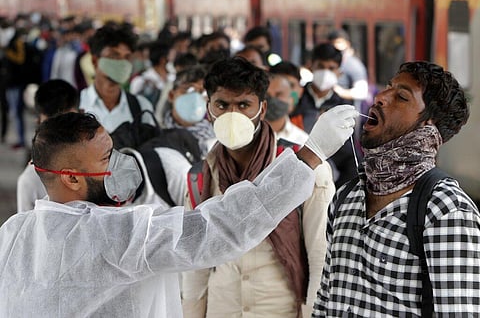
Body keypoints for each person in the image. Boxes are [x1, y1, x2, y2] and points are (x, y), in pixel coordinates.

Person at [0, 100, 358, 317]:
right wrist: (310, 154)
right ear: (72, 179)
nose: (122, 164)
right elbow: (221, 228)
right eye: (108, 158)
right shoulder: (117, 235)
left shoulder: (13, 233)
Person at [312, 61, 479, 317]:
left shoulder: (446, 211)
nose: (379, 97)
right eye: (387, 88)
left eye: (401, 96)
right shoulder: (346, 196)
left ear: (427, 129)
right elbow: (325, 299)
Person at [181, 57, 341, 318]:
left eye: (244, 105)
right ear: (208, 110)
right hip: (222, 309)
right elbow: (195, 262)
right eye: (222, 105)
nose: (232, 116)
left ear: (262, 109)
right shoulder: (201, 176)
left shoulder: (305, 170)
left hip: (279, 310)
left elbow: (320, 256)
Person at [292, 42, 357, 188]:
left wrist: (336, 191)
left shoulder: (343, 108)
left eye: (331, 68)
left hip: (329, 181)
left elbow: (350, 156)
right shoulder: (295, 99)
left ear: (339, 72)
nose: (325, 72)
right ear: (310, 66)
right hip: (293, 173)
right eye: (321, 67)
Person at [16, 79, 79, 213]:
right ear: (38, 122)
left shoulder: (94, 164)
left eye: (66, 122)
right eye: (52, 124)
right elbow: (26, 230)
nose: (59, 132)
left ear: (81, 115)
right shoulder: (30, 180)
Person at [79, 23, 154, 134]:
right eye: (114, 55)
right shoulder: (78, 105)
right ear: (95, 61)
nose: (122, 63)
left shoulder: (141, 107)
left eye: (127, 57)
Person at [160, 65, 216, 157]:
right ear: (171, 95)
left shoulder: (217, 140)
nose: (196, 98)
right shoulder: (157, 132)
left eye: (202, 92)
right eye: (189, 90)